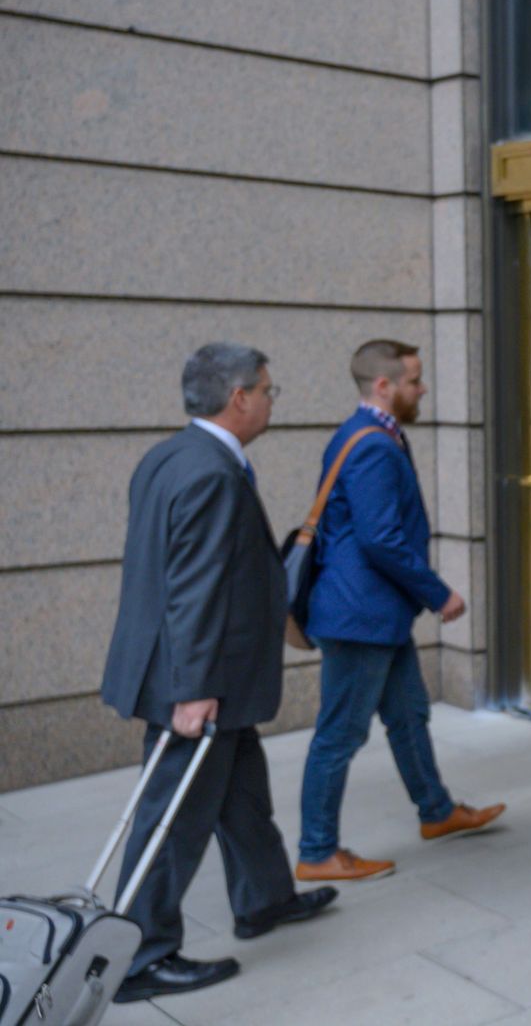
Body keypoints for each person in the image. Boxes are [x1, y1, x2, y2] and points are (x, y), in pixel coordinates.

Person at [100, 343, 337, 1002]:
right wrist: (194, 689)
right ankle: (140, 956)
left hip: (205, 672)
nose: (269, 399)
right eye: (267, 389)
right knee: (174, 818)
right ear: (239, 398)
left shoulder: (172, 456)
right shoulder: (210, 473)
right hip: (199, 679)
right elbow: (195, 588)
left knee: (242, 798)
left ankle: (264, 900)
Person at [294, 340, 503, 881]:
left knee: (408, 715)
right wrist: (439, 593)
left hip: (376, 614)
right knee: (340, 734)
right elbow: (381, 539)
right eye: (414, 380)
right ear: (383, 386)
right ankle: (317, 852)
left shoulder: (371, 435)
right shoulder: (372, 446)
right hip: (361, 617)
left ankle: (437, 812)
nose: (423, 388)